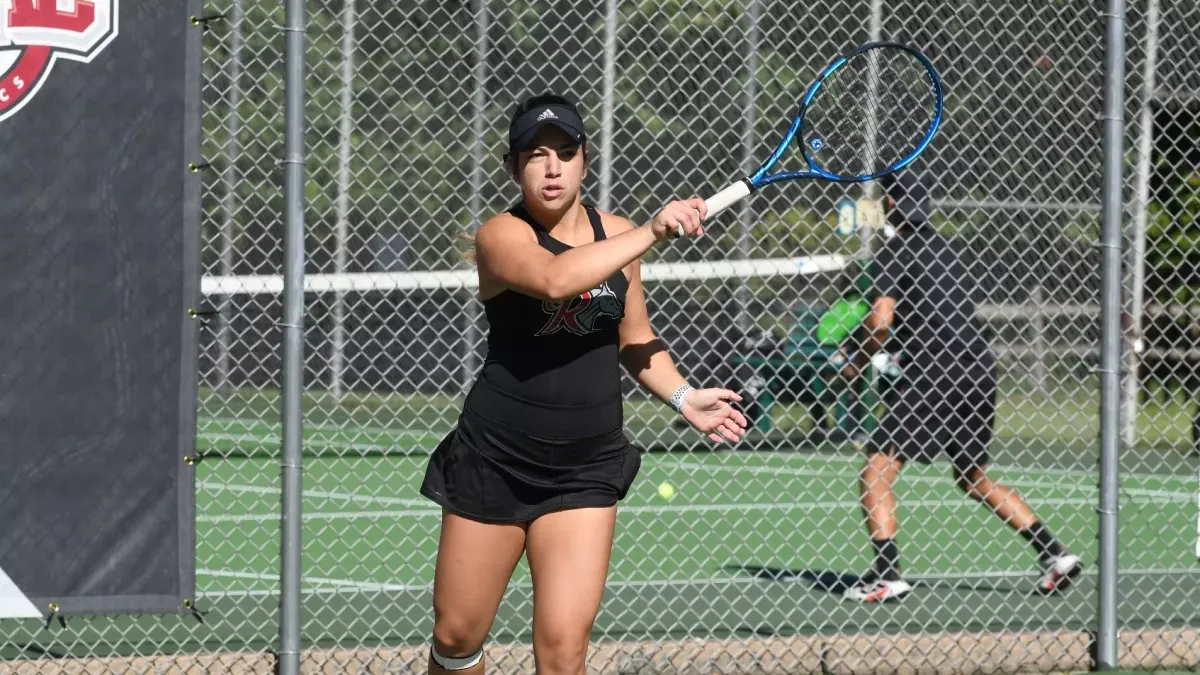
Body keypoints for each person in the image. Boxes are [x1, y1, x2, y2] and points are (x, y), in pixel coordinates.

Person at [418, 92, 748, 673]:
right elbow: (553, 280)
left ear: (584, 161)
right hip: (496, 456)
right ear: (513, 166)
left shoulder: (617, 235)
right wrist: (652, 229)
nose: (551, 168)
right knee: (456, 635)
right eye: (535, 155)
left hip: (585, 465)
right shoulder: (501, 236)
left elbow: (635, 339)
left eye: (565, 153)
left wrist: (683, 395)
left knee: (565, 646)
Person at [839, 167, 1083, 603]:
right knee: (972, 477)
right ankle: (1054, 553)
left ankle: (887, 574)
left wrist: (858, 359)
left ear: (891, 203)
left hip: (935, 372)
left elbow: (880, 319)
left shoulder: (897, 250)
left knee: (875, 469)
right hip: (979, 372)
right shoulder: (951, 249)